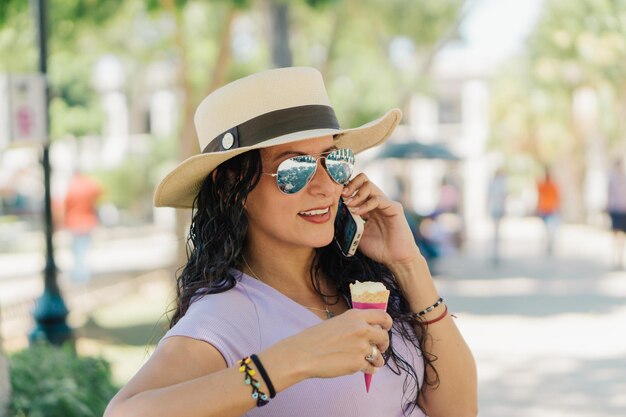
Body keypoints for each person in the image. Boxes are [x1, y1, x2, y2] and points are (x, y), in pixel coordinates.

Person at [104, 67, 477, 417]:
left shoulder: (360, 284)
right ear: (233, 185)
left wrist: (408, 263)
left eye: (333, 160)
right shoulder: (229, 315)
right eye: (294, 168)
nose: (324, 185)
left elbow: (458, 410)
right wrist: (293, 360)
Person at [63, 170, 102, 284]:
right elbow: (99, 191)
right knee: (83, 250)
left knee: (77, 251)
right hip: (86, 222)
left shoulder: (71, 187)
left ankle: (79, 276)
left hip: (74, 223)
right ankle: (82, 276)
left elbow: (65, 204)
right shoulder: (88, 185)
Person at [536, 167, 560, 256]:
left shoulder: (550, 185)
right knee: (548, 227)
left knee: (548, 227)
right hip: (546, 208)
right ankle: (549, 241)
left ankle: (549, 241)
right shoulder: (549, 185)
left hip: (549, 208)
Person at [607, 159, 626, 270]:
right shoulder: (612, 178)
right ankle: (616, 257)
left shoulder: (624, 178)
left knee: (622, 236)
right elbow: (609, 193)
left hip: (623, 210)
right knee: (616, 234)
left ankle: (620, 257)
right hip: (615, 209)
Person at [487, 168, 508, 265]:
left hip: (495, 209)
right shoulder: (501, 184)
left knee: (496, 232)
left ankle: (495, 252)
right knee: (496, 232)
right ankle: (495, 252)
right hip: (497, 209)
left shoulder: (494, 183)